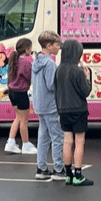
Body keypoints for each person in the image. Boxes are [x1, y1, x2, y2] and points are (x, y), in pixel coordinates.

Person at [54, 39, 93, 186]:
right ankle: (78, 174)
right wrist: (87, 77)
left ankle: (68, 174)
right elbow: (86, 91)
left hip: (63, 109)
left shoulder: (59, 69)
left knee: (67, 141)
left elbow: (55, 91)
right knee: (79, 141)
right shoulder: (77, 70)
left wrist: (59, 109)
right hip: (78, 109)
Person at [31, 31, 65, 180]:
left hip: (39, 103)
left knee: (43, 137)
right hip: (50, 105)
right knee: (57, 137)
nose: (59, 47)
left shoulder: (36, 60)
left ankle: (41, 168)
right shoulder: (50, 64)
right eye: (57, 44)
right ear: (49, 46)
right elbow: (52, 85)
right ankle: (58, 169)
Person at [4, 37, 37, 154]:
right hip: (21, 93)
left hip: (12, 92)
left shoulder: (14, 59)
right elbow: (30, 77)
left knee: (18, 117)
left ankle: (10, 142)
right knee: (24, 121)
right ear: (27, 49)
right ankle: (26, 145)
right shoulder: (27, 62)